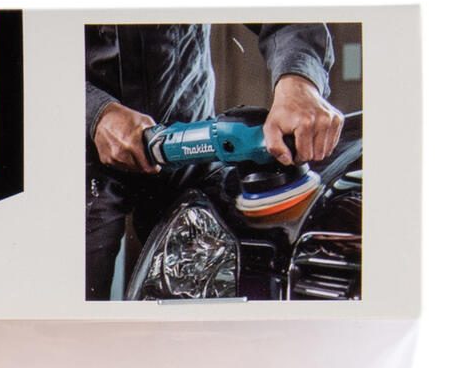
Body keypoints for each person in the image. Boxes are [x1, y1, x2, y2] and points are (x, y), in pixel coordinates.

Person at [85, 24, 344, 300]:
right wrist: (95, 113)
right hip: (78, 156)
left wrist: (300, 80)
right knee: (74, 302)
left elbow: (286, 17)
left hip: (189, 155)